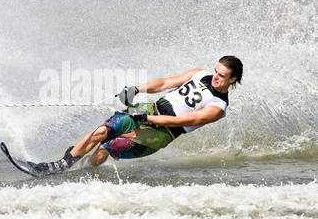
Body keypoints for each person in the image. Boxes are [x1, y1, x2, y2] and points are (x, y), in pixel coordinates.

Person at [31, 56, 243, 175]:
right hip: (150, 109)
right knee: (103, 131)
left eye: (221, 75)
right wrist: (135, 89)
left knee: (108, 146)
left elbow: (180, 121)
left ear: (232, 79)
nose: (215, 76)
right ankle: (59, 166)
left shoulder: (218, 107)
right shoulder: (199, 73)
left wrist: (146, 119)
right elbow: (164, 83)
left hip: (163, 132)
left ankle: (80, 172)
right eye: (216, 70)